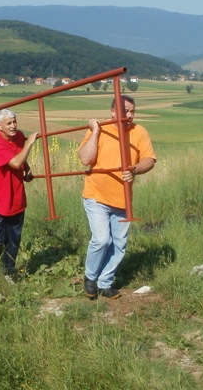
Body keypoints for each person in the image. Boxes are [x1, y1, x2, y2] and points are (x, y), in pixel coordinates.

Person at [79, 95, 156, 299]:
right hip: (96, 195)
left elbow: (149, 159)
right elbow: (86, 159)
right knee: (102, 239)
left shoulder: (139, 132)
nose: (129, 115)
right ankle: (90, 278)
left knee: (119, 245)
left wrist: (135, 169)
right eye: (125, 111)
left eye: (132, 111)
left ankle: (105, 283)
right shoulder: (100, 128)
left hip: (122, 200)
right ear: (113, 112)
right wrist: (95, 131)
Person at [0, 108, 38, 281]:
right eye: (9, 123)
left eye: (15, 121)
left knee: (14, 239)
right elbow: (15, 162)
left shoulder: (19, 136)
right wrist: (29, 143)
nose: (13, 126)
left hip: (16, 197)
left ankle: (8, 272)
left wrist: (27, 169)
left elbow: (20, 156)